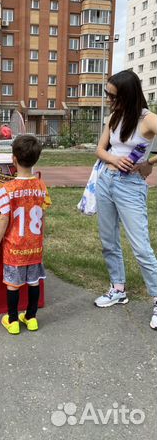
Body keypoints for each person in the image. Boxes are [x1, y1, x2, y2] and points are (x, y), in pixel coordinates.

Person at [94, 70, 157, 330]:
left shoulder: (147, 119)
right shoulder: (114, 116)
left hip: (130, 186)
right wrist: (112, 158)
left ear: (128, 96)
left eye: (113, 95)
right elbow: (100, 149)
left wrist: (148, 163)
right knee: (108, 241)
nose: (108, 99)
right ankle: (118, 288)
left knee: (141, 247)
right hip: (105, 181)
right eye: (107, 94)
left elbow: (146, 160)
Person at [0, 135, 51, 335]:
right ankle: (32, 318)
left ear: (13, 159)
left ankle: (14, 320)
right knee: (34, 282)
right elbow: (42, 213)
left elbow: (3, 219)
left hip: (14, 247)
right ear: (36, 159)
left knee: (13, 285)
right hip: (34, 246)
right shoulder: (41, 186)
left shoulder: (7, 189)